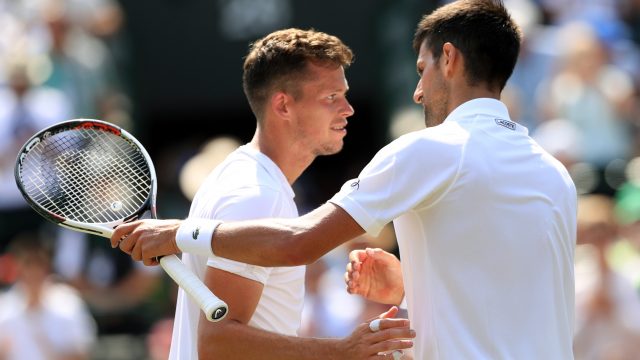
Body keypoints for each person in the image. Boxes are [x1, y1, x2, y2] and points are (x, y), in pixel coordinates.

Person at [112, 1, 577, 358]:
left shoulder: (428, 149)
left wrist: (177, 233)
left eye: (423, 70)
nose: (417, 92)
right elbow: (517, 295)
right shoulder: (554, 173)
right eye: (332, 96)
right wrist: (411, 288)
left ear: (449, 60)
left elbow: (300, 242)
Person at [127, 28, 414, 359]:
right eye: (331, 97)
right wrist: (342, 351)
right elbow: (218, 344)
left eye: (344, 95)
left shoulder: (249, 180)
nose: (348, 109)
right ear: (283, 105)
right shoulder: (256, 194)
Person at [0, 232, 97, 360]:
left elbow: (82, 354)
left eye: (38, 263)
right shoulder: (4, 308)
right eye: (28, 263)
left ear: (47, 266)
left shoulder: (69, 303)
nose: (33, 271)